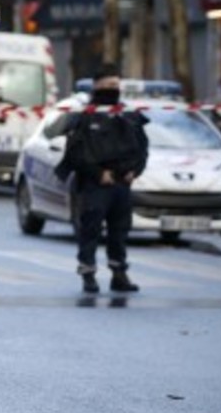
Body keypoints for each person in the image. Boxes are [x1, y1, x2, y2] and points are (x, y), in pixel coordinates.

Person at [48, 63, 148, 294]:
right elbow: (75, 152)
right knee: (90, 231)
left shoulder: (128, 114)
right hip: (94, 185)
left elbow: (142, 148)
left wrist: (135, 170)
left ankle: (119, 274)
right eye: (109, 85)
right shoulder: (84, 115)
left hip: (122, 184)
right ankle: (88, 275)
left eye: (116, 84)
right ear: (97, 86)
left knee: (119, 231)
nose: (114, 89)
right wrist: (97, 173)